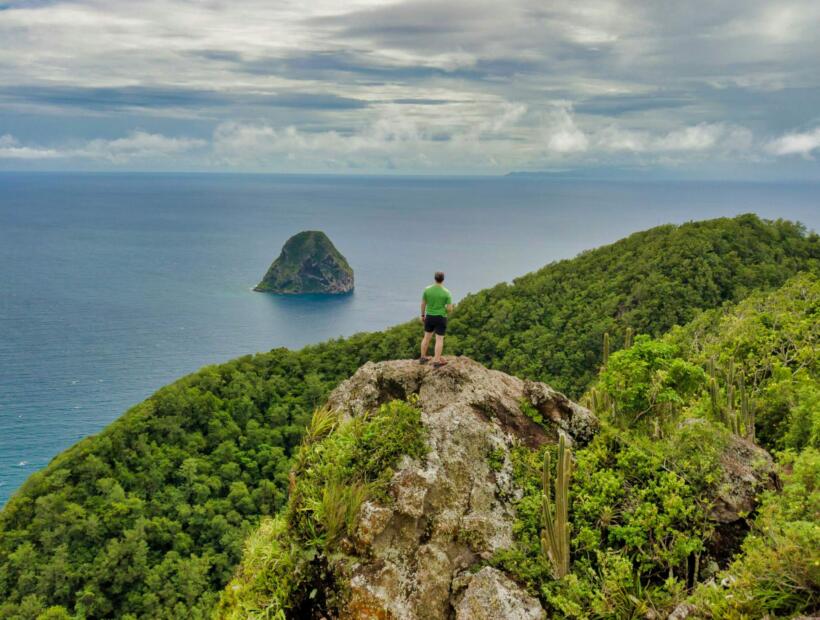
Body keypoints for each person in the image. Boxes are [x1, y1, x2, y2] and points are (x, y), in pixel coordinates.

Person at [419, 271, 454, 368]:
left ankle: (422, 357)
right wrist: (445, 312)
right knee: (439, 339)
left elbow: (423, 304)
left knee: (426, 337)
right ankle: (436, 361)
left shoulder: (427, 289)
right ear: (443, 279)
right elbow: (450, 309)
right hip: (441, 317)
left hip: (429, 316)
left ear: (435, 278)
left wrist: (422, 315)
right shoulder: (447, 292)